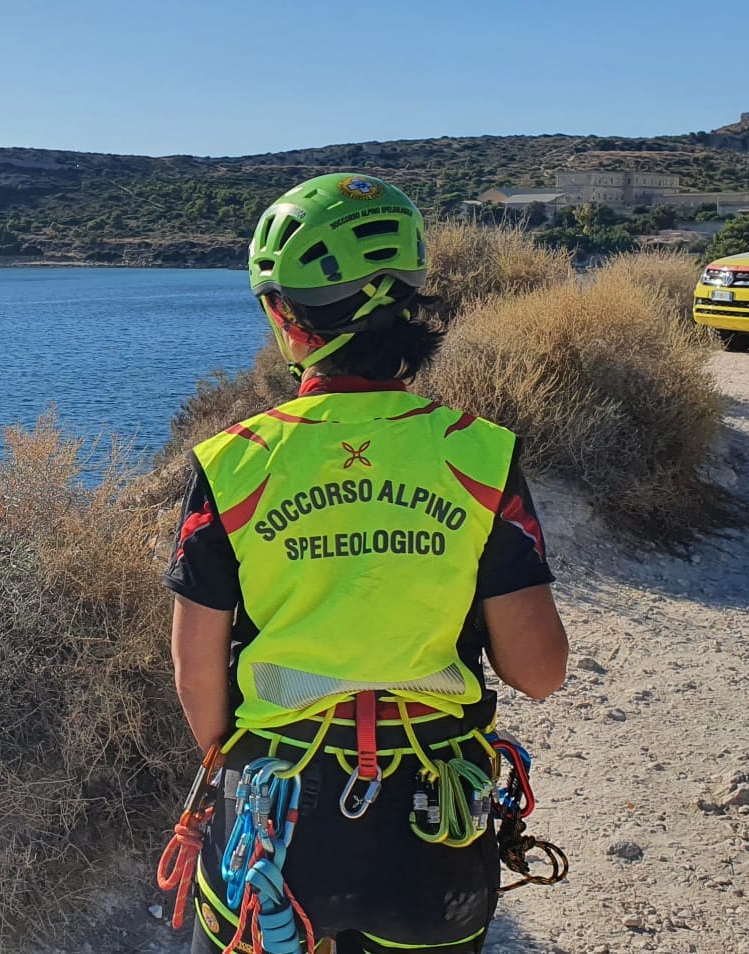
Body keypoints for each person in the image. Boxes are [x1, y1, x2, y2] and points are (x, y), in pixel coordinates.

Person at [163, 173, 570, 954]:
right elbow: (539, 670)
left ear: (285, 315)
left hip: (276, 824)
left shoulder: (233, 462)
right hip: (433, 834)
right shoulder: (478, 455)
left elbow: (198, 683)